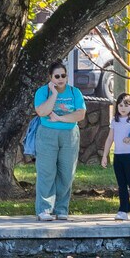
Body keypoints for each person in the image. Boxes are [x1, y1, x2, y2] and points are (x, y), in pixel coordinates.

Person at [34, 61, 86, 221]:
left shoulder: (75, 92)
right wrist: (54, 94)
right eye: (57, 76)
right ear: (50, 77)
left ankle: (61, 209)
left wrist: (60, 118)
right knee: (47, 172)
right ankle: (44, 210)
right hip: (47, 134)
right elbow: (42, 111)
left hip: (70, 134)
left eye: (63, 75)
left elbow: (80, 114)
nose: (61, 79)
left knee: (66, 173)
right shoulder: (43, 92)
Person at [101, 93, 130, 221]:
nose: (123, 108)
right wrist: (105, 155)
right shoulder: (114, 120)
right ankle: (123, 210)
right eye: (120, 105)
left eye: (126, 105)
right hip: (118, 156)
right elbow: (110, 138)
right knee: (121, 184)